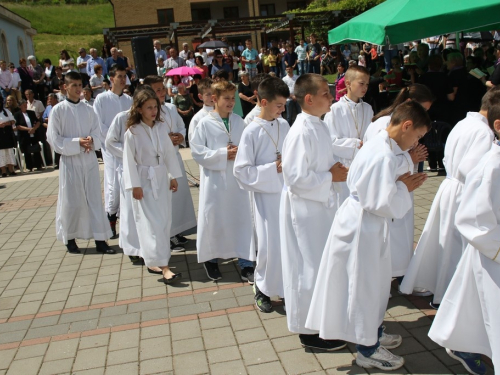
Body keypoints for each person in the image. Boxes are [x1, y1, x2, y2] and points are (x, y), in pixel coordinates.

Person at [306, 101, 430, 370]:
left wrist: (399, 182)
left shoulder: (382, 142)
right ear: (406, 126)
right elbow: (380, 202)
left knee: (372, 285)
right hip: (364, 227)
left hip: (364, 223)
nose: (416, 142)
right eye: (417, 136)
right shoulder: (382, 154)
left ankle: (372, 332)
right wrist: (403, 189)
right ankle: (367, 349)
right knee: (365, 287)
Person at [400, 89, 499, 308]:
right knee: (455, 247)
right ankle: (448, 295)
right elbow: (471, 169)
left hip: (450, 186)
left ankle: (440, 288)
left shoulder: (464, 122)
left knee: (444, 242)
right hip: (464, 191)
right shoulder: (484, 132)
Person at [428, 89, 500, 375]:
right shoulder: (492, 164)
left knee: (469, 293)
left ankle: (464, 342)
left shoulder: (463, 124)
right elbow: (474, 218)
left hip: (455, 190)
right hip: (492, 249)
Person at [280, 73, 348, 350]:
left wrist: (337, 173)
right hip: (304, 209)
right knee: (306, 268)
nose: (331, 98)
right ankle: (308, 331)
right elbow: (295, 178)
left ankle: (324, 322)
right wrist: (330, 177)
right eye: (325, 94)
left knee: (321, 266)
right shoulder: (299, 132)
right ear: (309, 99)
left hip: (321, 205)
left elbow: (327, 163)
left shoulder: (319, 125)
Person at [363, 84, 433, 281]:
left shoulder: (394, 130)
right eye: (423, 110)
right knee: (390, 237)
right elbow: (383, 165)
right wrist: (410, 158)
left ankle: (398, 271)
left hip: (398, 187)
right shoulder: (383, 126)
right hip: (387, 191)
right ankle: (390, 273)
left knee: (401, 233)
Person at [234, 77, 290, 313]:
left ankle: (287, 289)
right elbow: (241, 171)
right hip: (265, 198)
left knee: (287, 244)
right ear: (264, 102)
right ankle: (262, 288)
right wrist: (272, 169)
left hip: (286, 194)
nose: (283, 109)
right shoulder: (251, 132)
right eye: (279, 105)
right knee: (268, 245)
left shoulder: (284, 125)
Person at [190, 80, 255, 282]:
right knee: (214, 219)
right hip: (215, 182)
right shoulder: (204, 123)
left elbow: (249, 145)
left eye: (232, 98)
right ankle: (211, 260)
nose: (230, 102)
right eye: (225, 98)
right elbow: (197, 152)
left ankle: (246, 262)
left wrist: (241, 153)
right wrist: (222, 154)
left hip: (237, 182)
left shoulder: (239, 121)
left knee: (241, 218)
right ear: (214, 99)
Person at [47, 71, 114, 254]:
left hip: (88, 160)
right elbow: (54, 139)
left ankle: (100, 239)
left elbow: (98, 132)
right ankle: (70, 238)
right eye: (74, 85)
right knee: (71, 200)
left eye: (80, 85)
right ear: (65, 87)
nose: (78, 89)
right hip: (70, 162)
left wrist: (91, 140)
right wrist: (77, 143)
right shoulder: (58, 110)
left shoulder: (88, 109)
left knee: (93, 198)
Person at [122, 86, 183, 284]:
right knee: (150, 223)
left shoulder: (160, 127)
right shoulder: (133, 132)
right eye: (148, 107)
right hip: (143, 179)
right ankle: (164, 267)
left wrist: (173, 175)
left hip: (160, 177)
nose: (153, 111)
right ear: (139, 109)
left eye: (155, 107)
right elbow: (128, 161)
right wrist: (135, 185)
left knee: (164, 220)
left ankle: (157, 260)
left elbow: (167, 153)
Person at [144, 75, 197, 251]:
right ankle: (166, 236)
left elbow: (182, 126)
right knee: (165, 199)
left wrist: (180, 136)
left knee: (178, 197)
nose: (160, 92)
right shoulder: (147, 111)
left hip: (174, 156)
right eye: (156, 89)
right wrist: (166, 139)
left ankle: (177, 230)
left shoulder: (171, 108)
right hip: (159, 162)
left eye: (161, 89)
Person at [324, 65, 373, 205]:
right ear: (348, 83)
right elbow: (330, 141)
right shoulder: (335, 110)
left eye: (367, 84)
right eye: (361, 83)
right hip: (344, 167)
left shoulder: (368, 108)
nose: (365, 88)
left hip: (364, 164)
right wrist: (357, 144)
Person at [93, 65, 133, 239]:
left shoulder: (129, 100)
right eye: (119, 76)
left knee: (127, 185)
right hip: (110, 150)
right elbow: (98, 124)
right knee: (113, 186)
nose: (123, 79)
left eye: (124, 76)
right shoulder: (101, 99)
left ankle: (127, 222)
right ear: (111, 78)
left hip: (127, 149)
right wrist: (112, 139)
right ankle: (110, 221)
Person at [14, 99, 43, 171]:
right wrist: (28, 129)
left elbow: (38, 122)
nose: (25, 106)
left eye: (26, 104)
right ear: (20, 106)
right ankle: (30, 167)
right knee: (27, 151)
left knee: (36, 149)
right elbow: (18, 126)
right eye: (23, 105)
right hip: (24, 135)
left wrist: (34, 129)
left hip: (33, 134)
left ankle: (38, 165)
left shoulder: (31, 112)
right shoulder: (17, 114)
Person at [188, 78, 213, 143]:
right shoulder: (197, 119)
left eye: (214, 93)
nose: (212, 97)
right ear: (200, 97)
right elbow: (195, 145)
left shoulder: (225, 113)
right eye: (208, 94)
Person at [0, 95, 17, 177]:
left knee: (9, 151)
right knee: (1, 153)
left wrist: (7, 123)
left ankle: (11, 169)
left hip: (7, 133)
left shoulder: (6, 111)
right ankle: (3, 171)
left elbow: (13, 120)